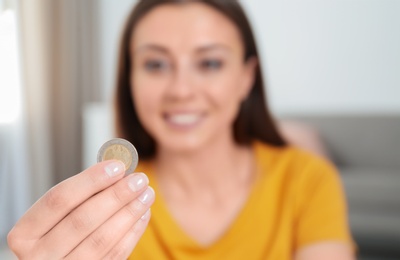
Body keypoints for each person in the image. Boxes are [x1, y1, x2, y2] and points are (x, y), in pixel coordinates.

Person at [8, 0, 355, 259]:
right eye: (156, 64)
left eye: (209, 63)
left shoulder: (309, 179)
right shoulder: (108, 207)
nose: (181, 90)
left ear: (246, 78)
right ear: (130, 80)